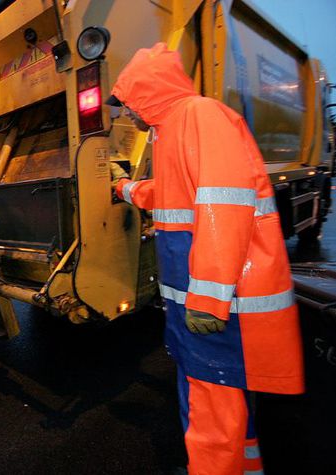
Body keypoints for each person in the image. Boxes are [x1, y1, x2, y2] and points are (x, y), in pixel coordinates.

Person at [107, 43, 304, 474]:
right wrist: (125, 189)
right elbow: (176, 195)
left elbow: (224, 205)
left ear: (146, 92)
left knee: (208, 405)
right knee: (223, 399)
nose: (127, 115)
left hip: (214, 303)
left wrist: (209, 298)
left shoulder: (198, 116)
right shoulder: (177, 126)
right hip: (204, 298)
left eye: (127, 104)